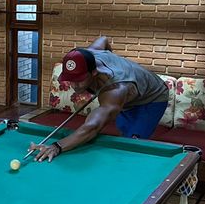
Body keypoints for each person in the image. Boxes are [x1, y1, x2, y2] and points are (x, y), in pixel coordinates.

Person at [30, 36, 169, 162]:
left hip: (152, 98)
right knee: (123, 133)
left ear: (94, 72)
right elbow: (103, 39)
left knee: (133, 143)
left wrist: (57, 146)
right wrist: (112, 58)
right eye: (70, 79)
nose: (74, 85)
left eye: (79, 79)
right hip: (129, 96)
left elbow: (92, 127)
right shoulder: (90, 54)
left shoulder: (115, 91)